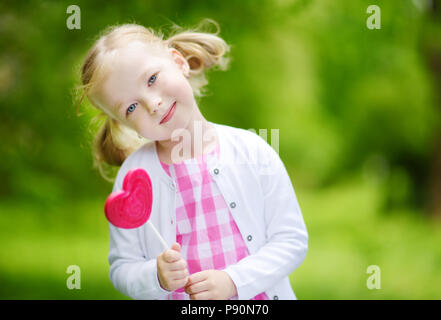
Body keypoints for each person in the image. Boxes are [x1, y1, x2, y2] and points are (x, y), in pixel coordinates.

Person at [76, 18, 308, 300]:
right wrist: (155, 276)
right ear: (122, 123)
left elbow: (291, 240)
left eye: (152, 79)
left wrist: (233, 281)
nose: (152, 104)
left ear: (178, 62)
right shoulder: (134, 176)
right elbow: (122, 267)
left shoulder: (251, 151)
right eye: (131, 107)